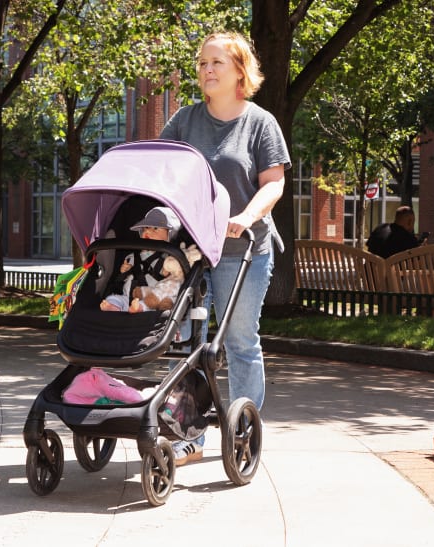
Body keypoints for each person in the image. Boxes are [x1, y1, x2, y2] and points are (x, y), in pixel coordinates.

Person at [159, 31, 291, 465]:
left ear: (239, 70)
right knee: (189, 341)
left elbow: (274, 184)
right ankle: (189, 438)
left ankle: (243, 430)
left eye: (216, 62)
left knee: (238, 341)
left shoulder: (259, 123)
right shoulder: (184, 120)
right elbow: (162, 171)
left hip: (243, 249)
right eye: (201, 63)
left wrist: (246, 217)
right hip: (193, 250)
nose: (207, 70)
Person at [100, 206, 180, 313]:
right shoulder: (134, 255)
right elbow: (125, 276)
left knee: (149, 305)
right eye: (146, 228)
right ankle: (115, 307)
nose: (148, 231)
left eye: (155, 228)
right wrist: (125, 270)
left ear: (169, 235)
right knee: (113, 299)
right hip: (127, 297)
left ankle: (139, 308)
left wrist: (163, 269)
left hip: (149, 298)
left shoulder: (167, 258)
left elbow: (167, 275)